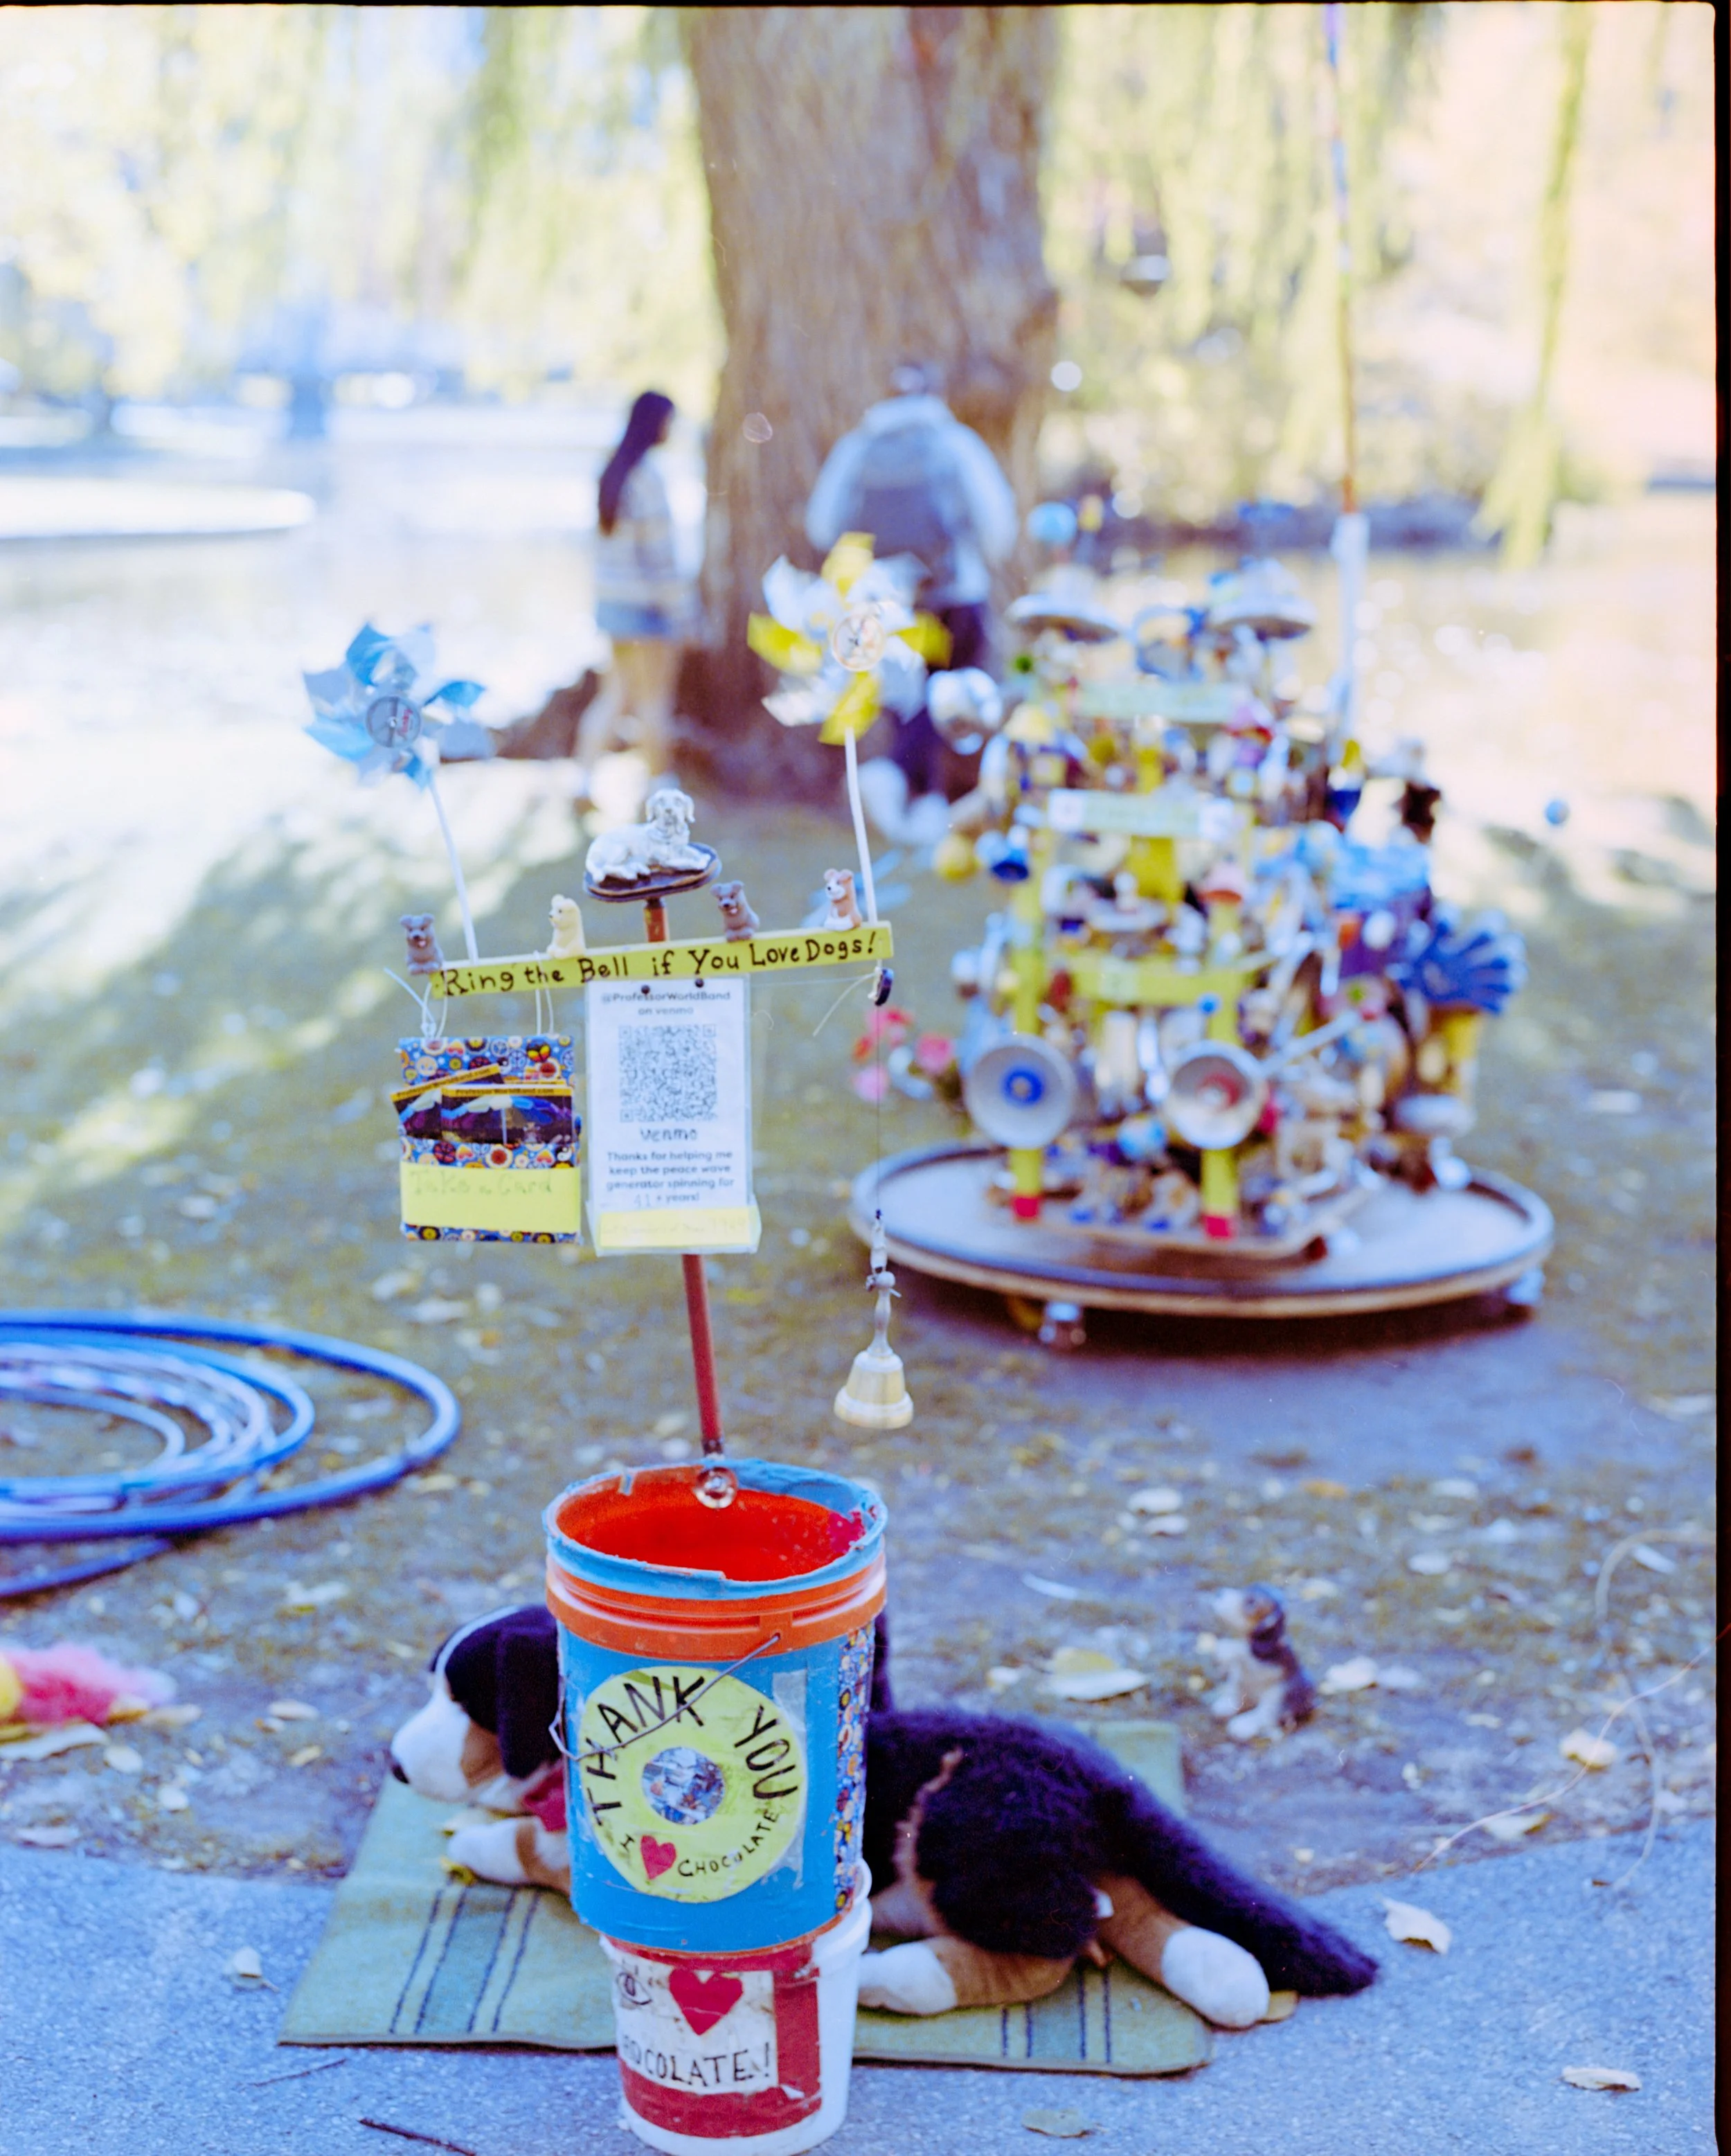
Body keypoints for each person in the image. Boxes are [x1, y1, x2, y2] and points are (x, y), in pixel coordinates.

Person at [806, 363, 1017, 808]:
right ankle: (913, 787)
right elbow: (996, 522)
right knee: (953, 696)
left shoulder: (859, 447)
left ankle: (907, 792)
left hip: (883, 597)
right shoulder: (954, 443)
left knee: (906, 701)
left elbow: (822, 526)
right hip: (955, 592)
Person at [577, 389, 694, 796]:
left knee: (614, 695)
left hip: (611, 603)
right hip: (646, 606)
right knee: (654, 701)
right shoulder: (648, 477)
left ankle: (584, 780)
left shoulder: (612, 470)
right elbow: (661, 557)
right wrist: (682, 610)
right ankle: (661, 788)